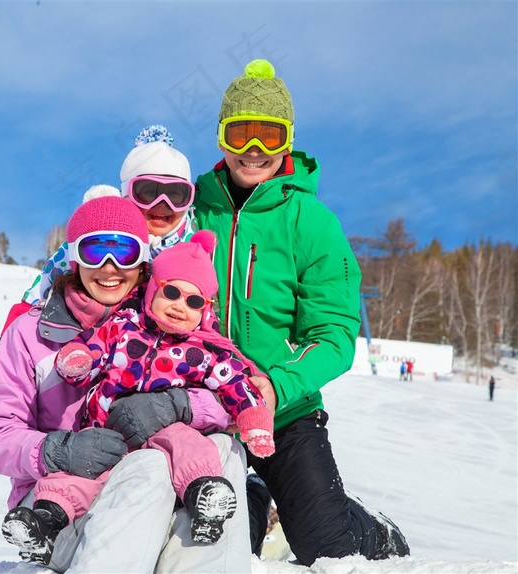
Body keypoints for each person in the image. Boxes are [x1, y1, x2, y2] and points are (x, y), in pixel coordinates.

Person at [192, 58, 410, 566]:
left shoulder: (311, 222)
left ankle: (370, 529)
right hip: (200, 410)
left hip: (284, 411)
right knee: (209, 546)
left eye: (268, 136)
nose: (253, 150)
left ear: (286, 140)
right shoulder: (191, 208)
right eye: (240, 133)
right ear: (222, 137)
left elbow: (334, 334)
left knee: (327, 550)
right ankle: (256, 501)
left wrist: (277, 385)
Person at [0, 194, 252, 572]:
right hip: (60, 504)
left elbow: (232, 386)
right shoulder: (31, 334)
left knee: (224, 449)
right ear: (74, 259)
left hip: (153, 498)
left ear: (142, 261)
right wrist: (58, 450)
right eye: (95, 251)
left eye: (123, 252)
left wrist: (180, 405)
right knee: (151, 464)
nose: (109, 268)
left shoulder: (172, 315)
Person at [26, 231, 274, 545]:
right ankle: (48, 517)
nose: (179, 306)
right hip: (108, 427)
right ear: (154, 288)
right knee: (83, 465)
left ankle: (204, 494)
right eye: (171, 292)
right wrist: (77, 360)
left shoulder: (201, 351)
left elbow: (234, 382)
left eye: (194, 301)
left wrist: (255, 419)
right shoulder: (124, 326)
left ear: (204, 310)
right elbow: (92, 347)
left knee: (187, 443)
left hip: (162, 430)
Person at [0, 125, 197, 369]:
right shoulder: (101, 234)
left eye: (176, 195)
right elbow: (48, 279)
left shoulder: (190, 247)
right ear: (126, 194)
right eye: (148, 192)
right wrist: (13, 335)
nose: (162, 204)